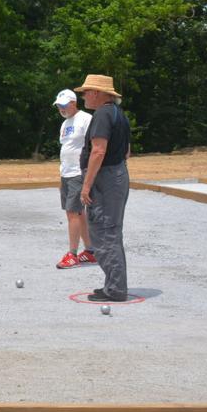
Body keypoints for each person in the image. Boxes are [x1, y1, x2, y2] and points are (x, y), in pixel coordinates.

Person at [76, 74, 132, 302]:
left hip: (105, 179)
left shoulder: (101, 115)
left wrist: (86, 185)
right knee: (111, 231)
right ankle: (114, 284)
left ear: (97, 93)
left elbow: (98, 151)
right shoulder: (119, 114)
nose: (84, 96)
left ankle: (115, 289)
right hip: (117, 173)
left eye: (87, 92)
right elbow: (127, 151)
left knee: (103, 231)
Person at [53, 89, 95, 269]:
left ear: (73, 103)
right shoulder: (65, 124)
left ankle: (72, 254)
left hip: (79, 172)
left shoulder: (86, 119)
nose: (61, 109)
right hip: (67, 173)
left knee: (72, 213)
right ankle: (91, 251)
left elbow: (96, 143)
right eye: (58, 106)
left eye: (64, 105)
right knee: (78, 213)